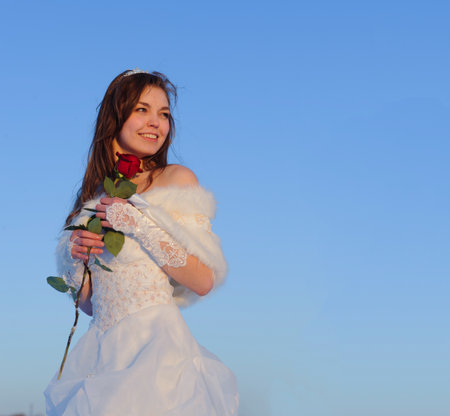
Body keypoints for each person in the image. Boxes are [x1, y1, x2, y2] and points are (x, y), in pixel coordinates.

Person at [44, 69, 239, 415]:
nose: (156, 123)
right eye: (142, 110)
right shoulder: (94, 199)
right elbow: (91, 305)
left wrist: (138, 224)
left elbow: (203, 280)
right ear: (116, 117)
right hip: (100, 353)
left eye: (164, 114)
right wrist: (80, 261)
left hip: (157, 349)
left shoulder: (177, 179)